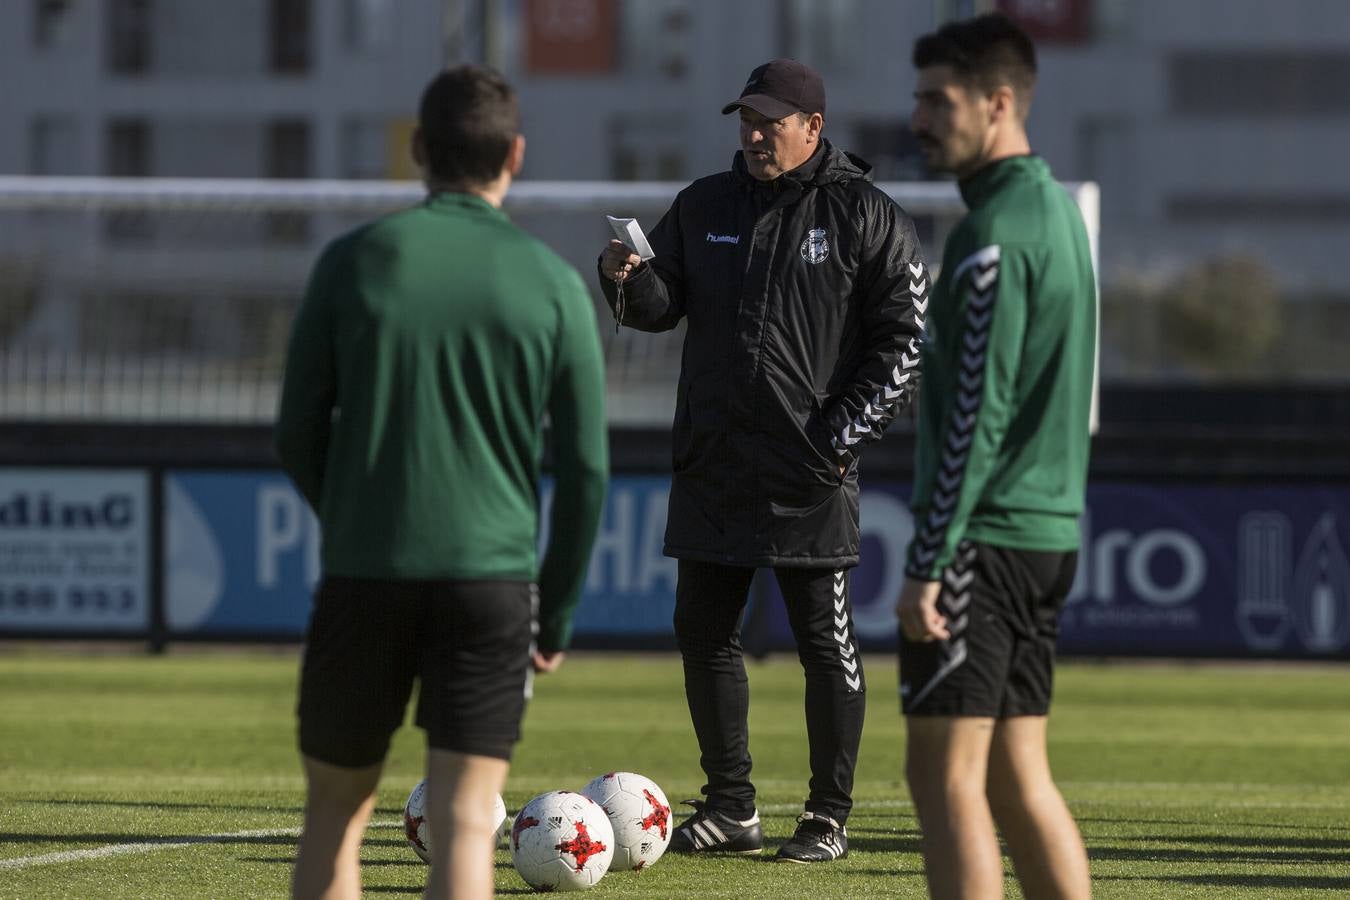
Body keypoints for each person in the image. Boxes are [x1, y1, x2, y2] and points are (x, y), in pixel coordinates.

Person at [275, 65, 609, 900]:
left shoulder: (352, 261)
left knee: (335, 814)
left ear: (419, 149)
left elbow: (295, 433)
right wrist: (556, 607)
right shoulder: (554, 283)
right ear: (516, 154)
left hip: (366, 571)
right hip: (491, 583)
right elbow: (587, 469)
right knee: (467, 820)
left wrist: (351, 517)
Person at [598, 58, 928, 863]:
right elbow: (659, 304)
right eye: (744, 120)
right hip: (714, 462)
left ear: (812, 128)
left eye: (768, 122)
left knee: (825, 642)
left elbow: (905, 343)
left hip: (809, 474)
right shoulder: (705, 204)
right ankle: (731, 807)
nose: (751, 135)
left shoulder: (865, 214)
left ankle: (826, 817)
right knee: (703, 632)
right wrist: (623, 278)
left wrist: (835, 442)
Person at [897, 14, 1096, 900]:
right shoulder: (1055, 213)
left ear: (999, 103)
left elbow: (978, 414)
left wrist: (930, 560)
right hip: (1048, 533)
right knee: (1019, 780)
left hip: (984, 538)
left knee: (945, 782)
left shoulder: (992, 240)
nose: (921, 120)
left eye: (940, 101)